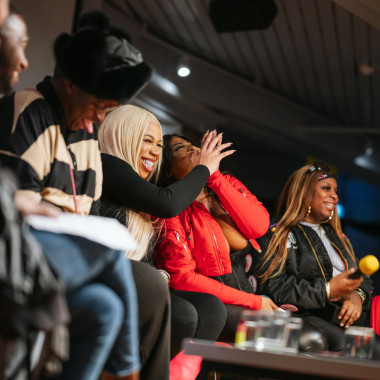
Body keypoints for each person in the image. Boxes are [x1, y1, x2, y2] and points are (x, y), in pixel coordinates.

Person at [0, 10, 169, 380]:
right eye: (100, 105)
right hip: (19, 248)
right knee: (140, 276)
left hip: (60, 257)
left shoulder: (86, 131)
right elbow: (14, 209)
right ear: (70, 84)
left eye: (109, 110)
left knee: (104, 307)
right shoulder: (28, 111)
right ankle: (129, 373)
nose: (100, 119)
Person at [98, 105, 228, 358]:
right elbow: (167, 203)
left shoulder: (141, 189)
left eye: (159, 145)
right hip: (105, 276)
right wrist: (204, 169)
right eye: (147, 141)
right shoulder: (106, 163)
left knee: (211, 308)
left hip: (136, 279)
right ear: (123, 135)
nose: (155, 152)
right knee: (182, 314)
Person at [154, 133, 279, 341]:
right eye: (180, 149)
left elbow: (259, 227)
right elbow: (182, 278)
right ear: (168, 170)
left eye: (193, 145)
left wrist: (214, 176)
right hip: (212, 305)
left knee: (300, 337)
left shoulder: (225, 183)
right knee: (268, 334)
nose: (193, 149)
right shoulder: (171, 209)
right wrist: (254, 302)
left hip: (248, 299)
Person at [254, 162, 376, 353]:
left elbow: (364, 280)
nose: (334, 196)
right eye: (326, 189)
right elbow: (274, 286)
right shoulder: (278, 232)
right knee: (340, 343)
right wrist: (327, 290)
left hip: (340, 319)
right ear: (304, 192)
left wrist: (356, 297)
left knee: (373, 347)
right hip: (303, 316)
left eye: (336, 190)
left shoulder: (340, 238)